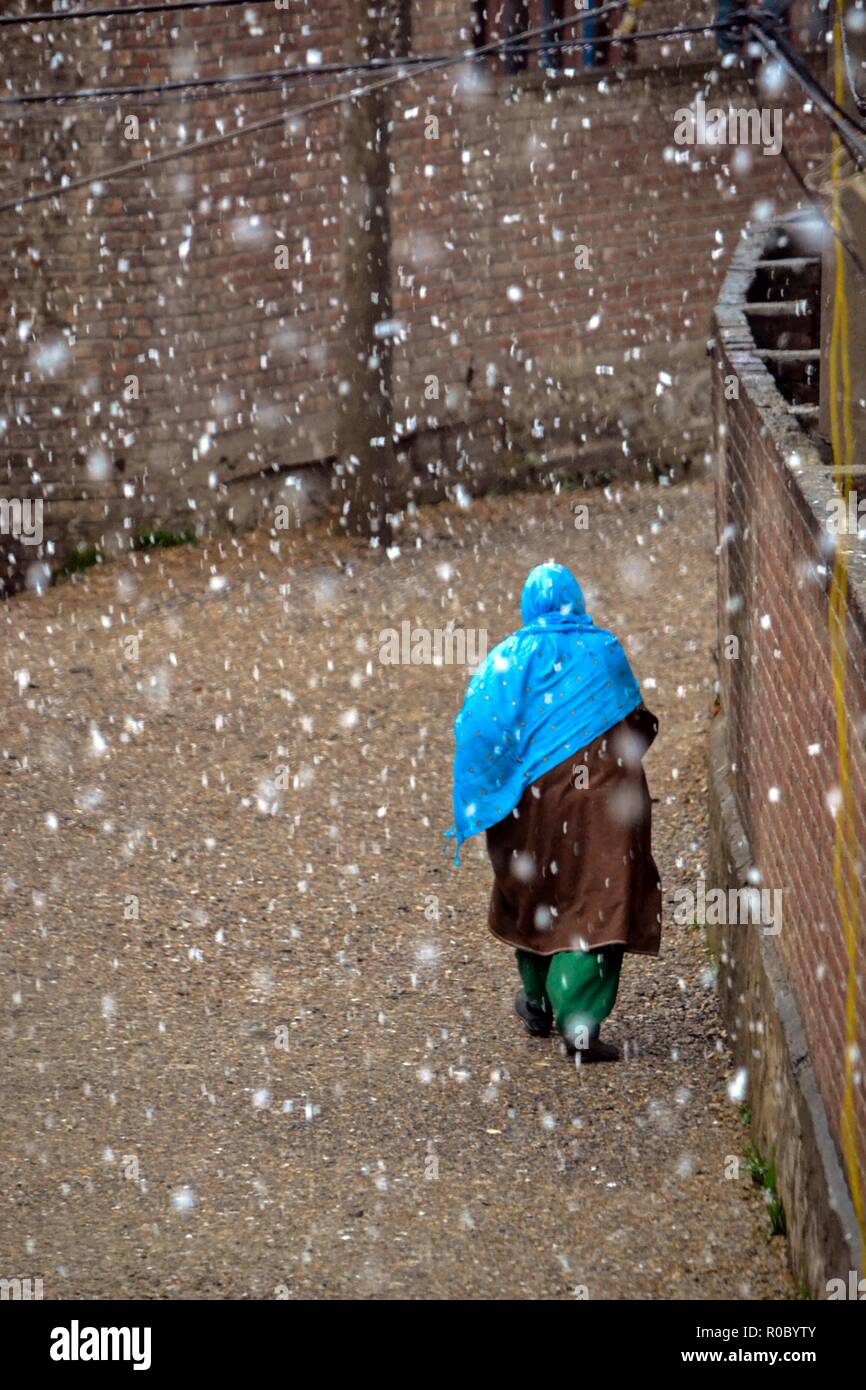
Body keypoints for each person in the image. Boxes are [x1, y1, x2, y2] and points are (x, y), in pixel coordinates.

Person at [447, 562, 661, 1064]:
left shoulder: (505, 661)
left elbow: (477, 734)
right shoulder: (604, 650)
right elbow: (635, 724)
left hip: (531, 804)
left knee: (538, 889)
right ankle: (580, 1023)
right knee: (596, 896)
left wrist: (492, 796)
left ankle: (539, 1002)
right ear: (577, 604)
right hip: (601, 803)